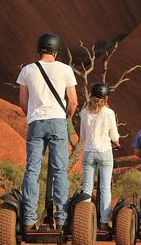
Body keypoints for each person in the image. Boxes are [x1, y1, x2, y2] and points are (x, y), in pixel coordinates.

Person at [17, 33, 78, 232]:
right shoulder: (65, 69)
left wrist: (33, 115)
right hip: (58, 121)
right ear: (56, 51)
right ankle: (61, 220)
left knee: (32, 170)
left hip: (36, 122)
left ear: (39, 49)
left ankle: (28, 219)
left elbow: (23, 102)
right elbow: (73, 101)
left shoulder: (27, 70)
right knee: (60, 170)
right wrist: (65, 116)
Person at [80, 82, 121, 231]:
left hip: (89, 152)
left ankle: (84, 222)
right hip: (104, 152)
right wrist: (116, 143)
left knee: (87, 187)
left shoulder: (84, 112)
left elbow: (83, 136)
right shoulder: (109, 113)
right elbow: (114, 135)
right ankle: (104, 222)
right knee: (104, 187)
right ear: (106, 97)